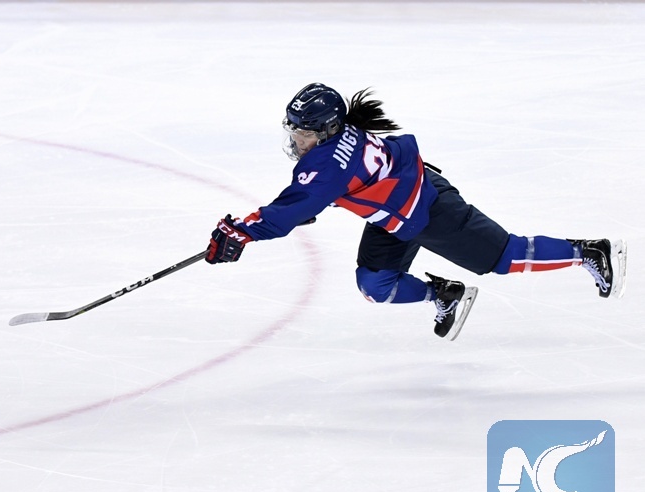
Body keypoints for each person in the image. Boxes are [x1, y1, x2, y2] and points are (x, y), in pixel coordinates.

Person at [204, 83, 627, 340]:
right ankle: (445, 295)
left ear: (328, 129)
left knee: (506, 257)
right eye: (293, 129)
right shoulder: (340, 139)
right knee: (374, 285)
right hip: (394, 215)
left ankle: (590, 252)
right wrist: (309, 204)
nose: (296, 139)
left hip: (430, 208)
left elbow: (284, 215)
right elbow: (334, 188)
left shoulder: (327, 164)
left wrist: (239, 231)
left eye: (304, 131)